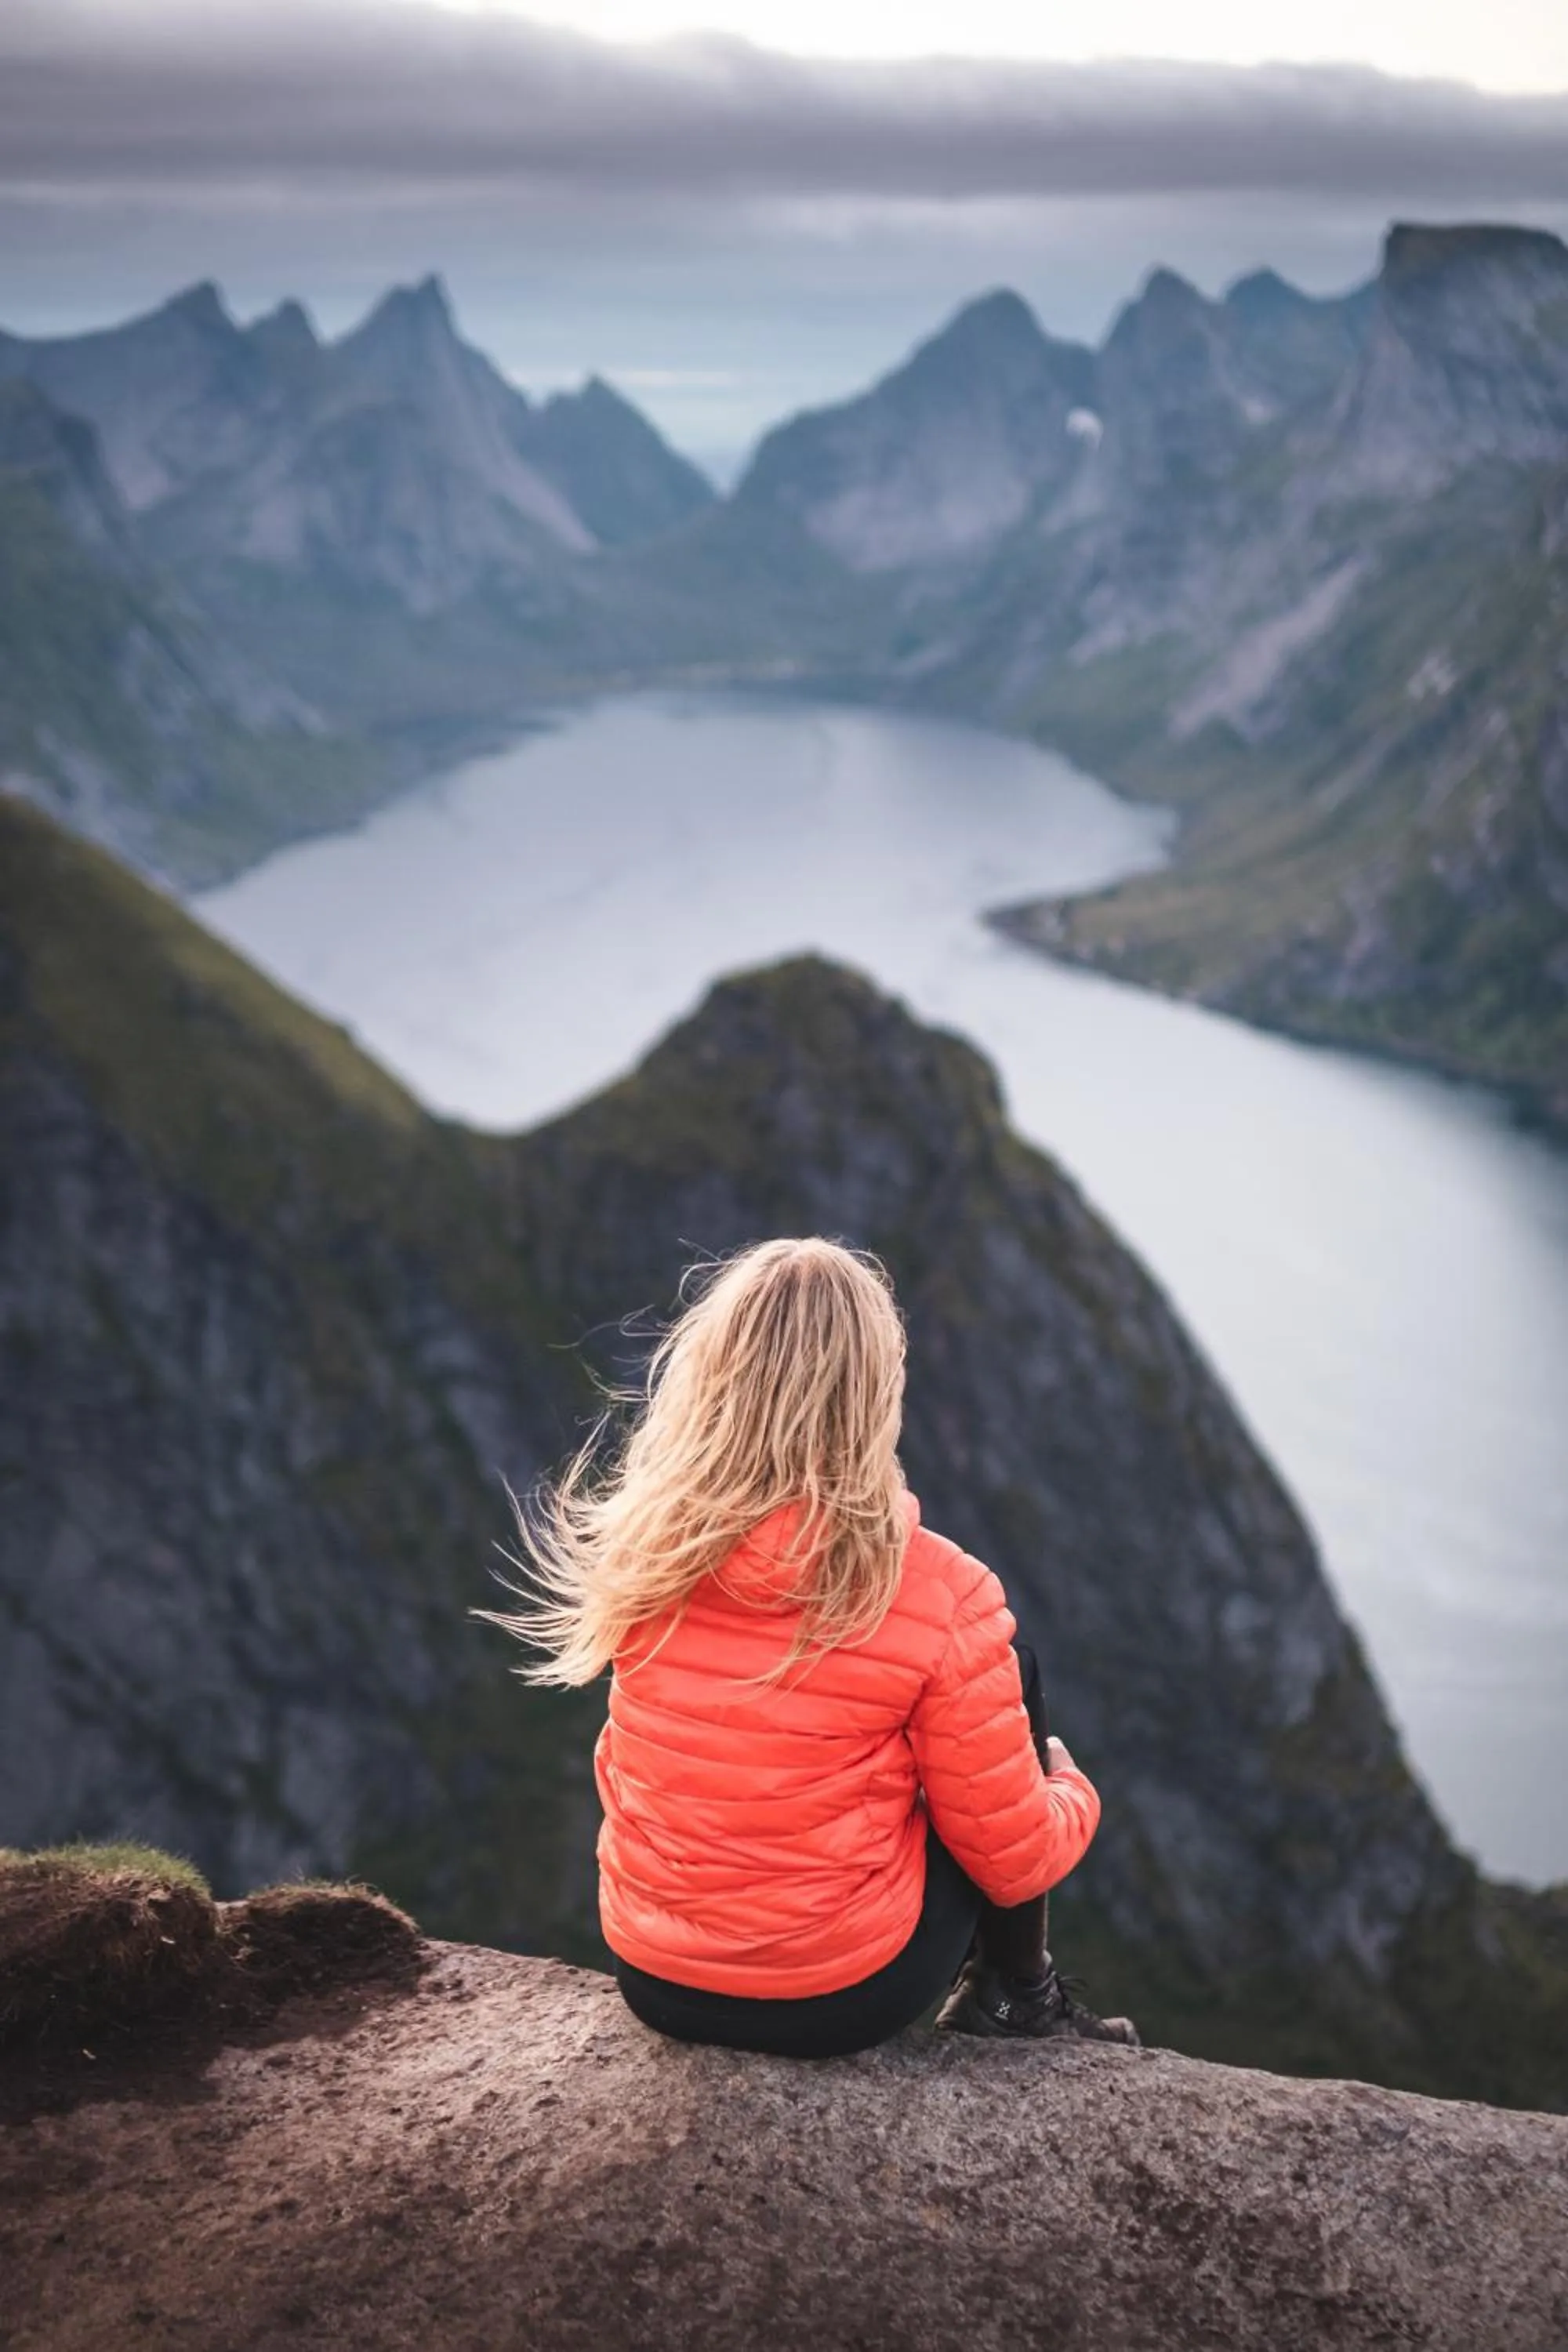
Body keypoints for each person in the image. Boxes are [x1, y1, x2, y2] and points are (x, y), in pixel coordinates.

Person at [484, 1235, 1138, 2060]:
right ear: (872, 1394)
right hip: (838, 1998)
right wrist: (1065, 1781)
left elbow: (631, 1771)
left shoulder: (644, 1553)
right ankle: (1016, 1998)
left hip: (654, 1974)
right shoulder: (938, 1591)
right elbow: (1012, 1860)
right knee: (1008, 1678)